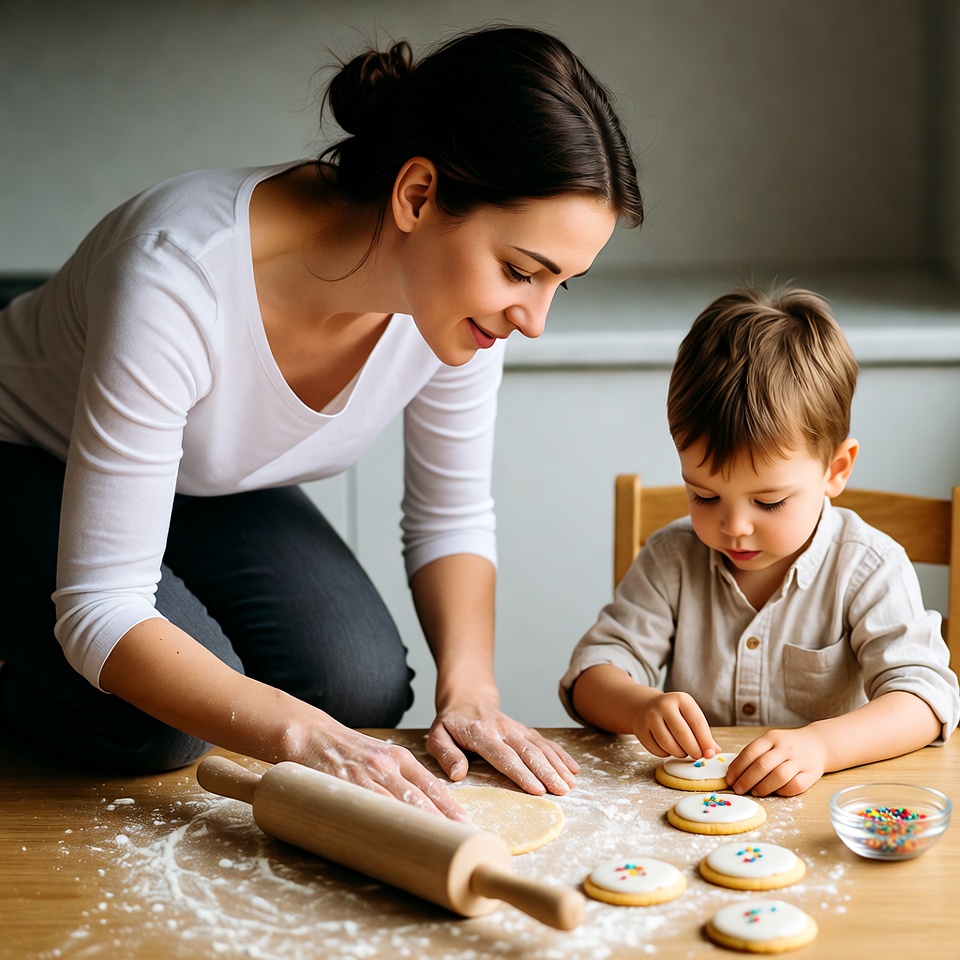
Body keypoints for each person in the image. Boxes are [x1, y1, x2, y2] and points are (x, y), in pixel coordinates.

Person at [0, 24, 643, 818]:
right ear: (416, 195)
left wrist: (470, 690)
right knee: (153, 728)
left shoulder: (461, 310)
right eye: (521, 270)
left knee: (357, 685)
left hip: (203, 476)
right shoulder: (177, 274)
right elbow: (104, 604)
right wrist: (307, 738)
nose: (534, 318)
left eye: (559, 284)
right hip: (24, 452)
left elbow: (450, 516)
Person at [561, 286, 960, 797]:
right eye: (704, 496)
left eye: (769, 502)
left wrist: (822, 745)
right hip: (696, 807)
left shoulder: (870, 567)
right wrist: (639, 706)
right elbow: (593, 674)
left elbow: (925, 699)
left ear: (835, 470)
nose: (734, 527)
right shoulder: (671, 559)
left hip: (826, 811)